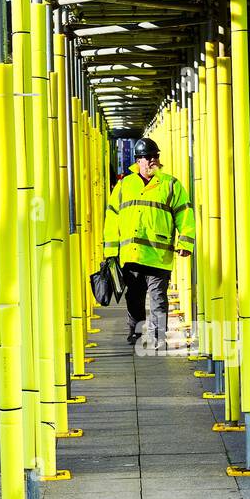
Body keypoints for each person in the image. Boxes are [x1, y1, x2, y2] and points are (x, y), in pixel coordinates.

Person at [103, 135, 195, 348]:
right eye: (147, 156)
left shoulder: (170, 184)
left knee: (158, 300)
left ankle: (157, 337)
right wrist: (110, 251)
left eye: (155, 156)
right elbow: (112, 217)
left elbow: (185, 215)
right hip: (132, 255)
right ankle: (136, 332)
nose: (152, 160)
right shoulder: (125, 185)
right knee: (134, 298)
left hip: (158, 256)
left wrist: (185, 243)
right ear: (138, 161)